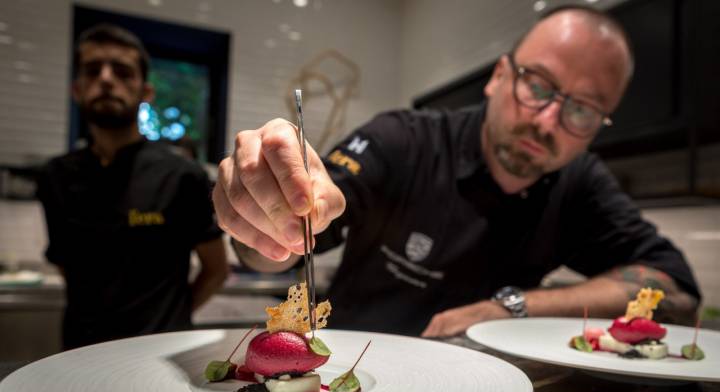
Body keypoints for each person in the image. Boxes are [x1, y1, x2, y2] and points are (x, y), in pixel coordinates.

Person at [213, 7, 700, 337]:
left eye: (583, 110)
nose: (547, 119)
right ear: (499, 77)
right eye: (538, 85)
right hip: (349, 381)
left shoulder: (581, 185)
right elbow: (278, 250)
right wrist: (264, 217)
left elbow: (676, 289)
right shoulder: (402, 140)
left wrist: (510, 308)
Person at [37, 24, 228, 348]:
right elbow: (67, 266)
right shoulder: (55, 176)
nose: (107, 79)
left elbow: (216, 269)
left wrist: (172, 320)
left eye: (123, 72)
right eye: (93, 70)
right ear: (77, 89)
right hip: (79, 355)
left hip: (159, 354)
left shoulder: (182, 175)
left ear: (146, 92)